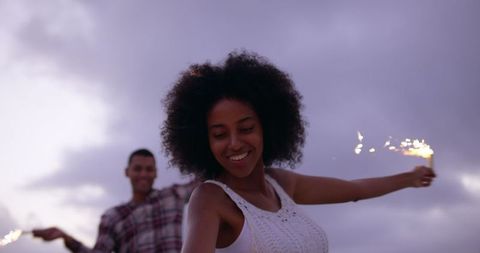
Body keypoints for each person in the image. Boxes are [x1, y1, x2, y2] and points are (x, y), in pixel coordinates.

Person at [160, 51, 436, 253]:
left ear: (268, 126)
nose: (234, 143)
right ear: (202, 141)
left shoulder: (281, 183)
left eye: (245, 128)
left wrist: (409, 179)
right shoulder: (211, 199)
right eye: (220, 134)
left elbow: (355, 190)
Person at [32, 148, 199, 253]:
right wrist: (66, 238)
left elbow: (204, 180)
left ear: (155, 173)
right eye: (137, 169)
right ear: (127, 172)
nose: (143, 174)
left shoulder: (172, 196)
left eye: (149, 169)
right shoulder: (113, 217)